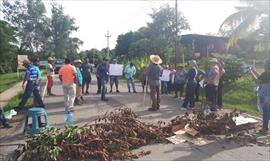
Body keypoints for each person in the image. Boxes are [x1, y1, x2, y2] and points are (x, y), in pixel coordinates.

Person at [249, 59, 270, 134]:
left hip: (266, 96)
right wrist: (254, 70)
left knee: (266, 112)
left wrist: (251, 72)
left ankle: (265, 128)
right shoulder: (266, 74)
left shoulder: (266, 74)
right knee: (267, 111)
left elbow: (257, 81)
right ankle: (265, 127)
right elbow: (261, 77)